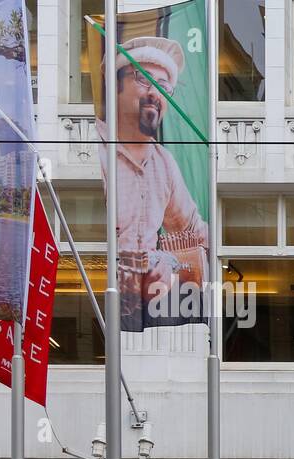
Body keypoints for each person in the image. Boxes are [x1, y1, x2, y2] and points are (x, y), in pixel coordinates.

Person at [97, 37, 209, 332]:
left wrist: (169, 260)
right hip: (99, 296)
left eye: (164, 86)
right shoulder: (98, 149)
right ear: (117, 86)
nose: (155, 93)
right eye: (144, 80)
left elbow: (193, 231)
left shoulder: (164, 163)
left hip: (148, 308)